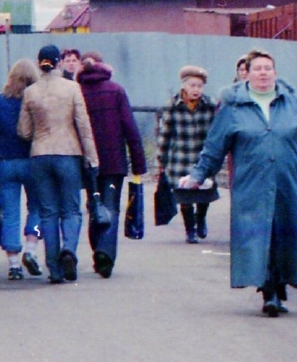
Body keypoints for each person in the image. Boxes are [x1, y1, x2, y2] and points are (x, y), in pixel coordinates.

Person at [180, 50, 297, 317]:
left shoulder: (293, 104)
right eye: (257, 69)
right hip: (251, 183)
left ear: (275, 73)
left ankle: (279, 285)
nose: (263, 73)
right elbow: (214, 146)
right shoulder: (233, 107)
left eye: (268, 68)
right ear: (246, 74)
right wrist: (198, 175)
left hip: (287, 181)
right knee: (259, 235)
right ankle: (269, 291)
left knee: (283, 234)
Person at [19, 44, 100, 284]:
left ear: (39, 63)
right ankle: (69, 250)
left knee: (48, 213)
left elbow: (24, 130)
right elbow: (83, 126)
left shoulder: (30, 92)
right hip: (68, 153)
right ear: (59, 62)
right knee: (71, 210)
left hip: (40, 155)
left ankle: (54, 269)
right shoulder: (72, 88)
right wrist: (92, 158)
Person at [76, 53, 146, 278]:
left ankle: (98, 247)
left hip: (87, 161)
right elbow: (130, 128)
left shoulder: (77, 92)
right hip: (114, 160)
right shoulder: (116, 91)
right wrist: (138, 163)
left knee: (93, 204)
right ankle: (105, 251)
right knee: (111, 206)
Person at [0, 59, 43, 280]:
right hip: (33, 162)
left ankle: (14, 265)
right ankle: (31, 249)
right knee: (37, 207)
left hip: (6, 164)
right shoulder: (36, 101)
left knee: (10, 213)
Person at [156, 65, 218, 244]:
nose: (196, 90)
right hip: (180, 157)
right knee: (184, 195)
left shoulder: (210, 105)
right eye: (192, 85)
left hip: (203, 156)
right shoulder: (172, 106)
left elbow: (217, 132)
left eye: (199, 86)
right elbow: (164, 135)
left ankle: (201, 219)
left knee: (204, 191)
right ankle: (190, 229)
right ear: (184, 86)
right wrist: (161, 161)